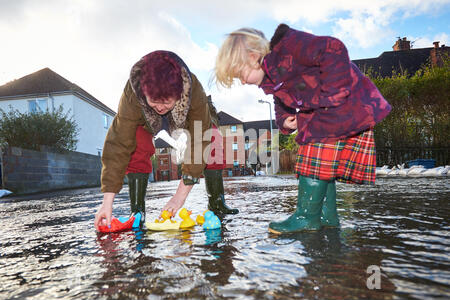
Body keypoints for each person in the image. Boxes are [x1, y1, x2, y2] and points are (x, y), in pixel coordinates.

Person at [214, 24, 391, 234]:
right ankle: (327, 216)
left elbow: (333, 48)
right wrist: (283, 120)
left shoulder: (288, 47)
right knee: (324, 166)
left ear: (253, 57)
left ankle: (306, 217)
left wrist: (331, 94)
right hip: (334, 112)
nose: (242, 82)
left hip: (347, 105)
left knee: (313, 158)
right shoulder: (272, 79)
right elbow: (281, 102)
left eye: (240, 74)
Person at [94, 50, 238, 232]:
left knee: (213, 138)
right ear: (144, 92)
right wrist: (107, 203)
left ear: (178, 94)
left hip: (185, 119)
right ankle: (137, 211)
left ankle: (217, 203)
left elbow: (201, 139)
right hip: (146, 121)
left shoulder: (194, 90)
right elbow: (118, 142)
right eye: (155, 101)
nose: (161, 108)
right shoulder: (132, 93)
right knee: (136, 142)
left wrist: (179, 196)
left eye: (166, 102)